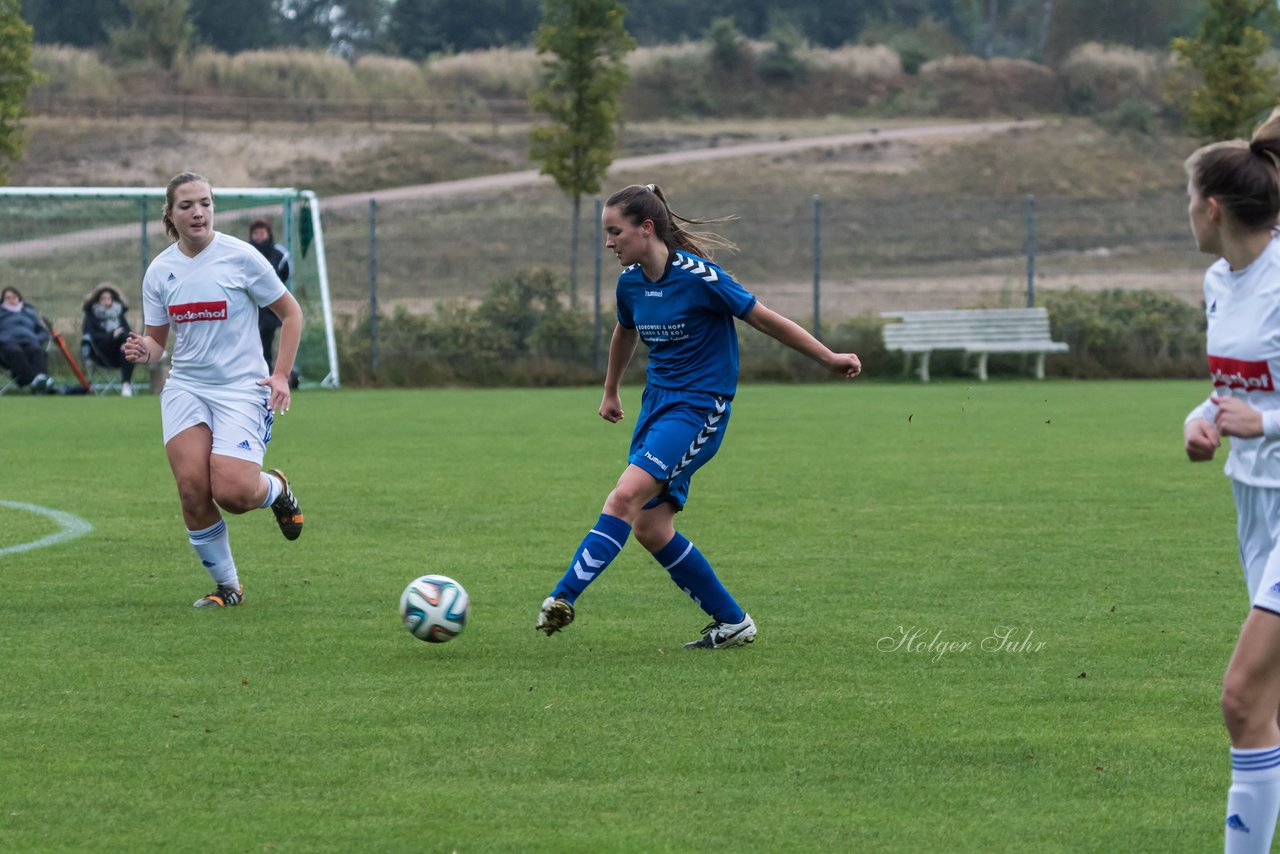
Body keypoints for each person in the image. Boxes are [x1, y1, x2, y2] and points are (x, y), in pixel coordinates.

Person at [535, 183, 861, 649]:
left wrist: (828, 358)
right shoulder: (630, 283)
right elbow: (624, 332)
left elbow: (764, 317)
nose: (608, 243)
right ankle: (732, 623)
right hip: (657, 408)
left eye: (615, 232)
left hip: (699, 409)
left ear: (645, 229)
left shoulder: (700, 277)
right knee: (650, 528)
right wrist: (610, 390)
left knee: (624, 497)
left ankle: (563, 597)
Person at [123, 172, 306, 609]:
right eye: (187, 205)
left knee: (234, 494)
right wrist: (141, 349)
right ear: (170, 214)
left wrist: (280, 375)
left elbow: (292, 314)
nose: (198, 211)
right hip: (187, 387)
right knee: (191, 489)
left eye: (205, 202)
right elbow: (157, 343)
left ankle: (276, 489)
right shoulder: (161, 270)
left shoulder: (241, 257)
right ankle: (229, 587)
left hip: (241, 389)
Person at [1182, 108, 1280, 853]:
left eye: (1187, 200)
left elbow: (1267, 411)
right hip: (1254, 502)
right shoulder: (1220, 279)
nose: (1186, 213)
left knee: (1243, 699)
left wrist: (1267, 425)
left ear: (1212, 207)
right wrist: (1204, 418)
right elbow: (1239, 388)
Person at [247, 219, 300, 389]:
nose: (259, 236)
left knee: (267, 345)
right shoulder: (245, 252)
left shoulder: (279, 253)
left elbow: (286, 274)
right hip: (251, 311)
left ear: (269, 233)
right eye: (256, 233)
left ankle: (274, 377)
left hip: (270, 311)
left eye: (262, 232)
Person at [81, 284, 136, 396]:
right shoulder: (91, 316)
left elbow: (128, 331)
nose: (107, 301)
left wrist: (118, 336)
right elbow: (91, 336)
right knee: (122, 336)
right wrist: (112, 335)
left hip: (120, 355)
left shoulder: (119, 314)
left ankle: (126, 386)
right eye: (103, 298)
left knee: (125, 347)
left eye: (109, 298)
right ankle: (147, 349)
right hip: (100, 353)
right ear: (98, 300)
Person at [0, 286, 55, 393]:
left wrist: (37, 339)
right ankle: (37, 382)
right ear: (3, 300)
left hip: (30, 341)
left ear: (19, 298)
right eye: (8, 298)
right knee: (16, 352)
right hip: (6, 343)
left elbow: (43, 332)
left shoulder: (29, 313)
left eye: (14, 297)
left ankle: (38, 382)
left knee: (38, 351)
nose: (11, 300)